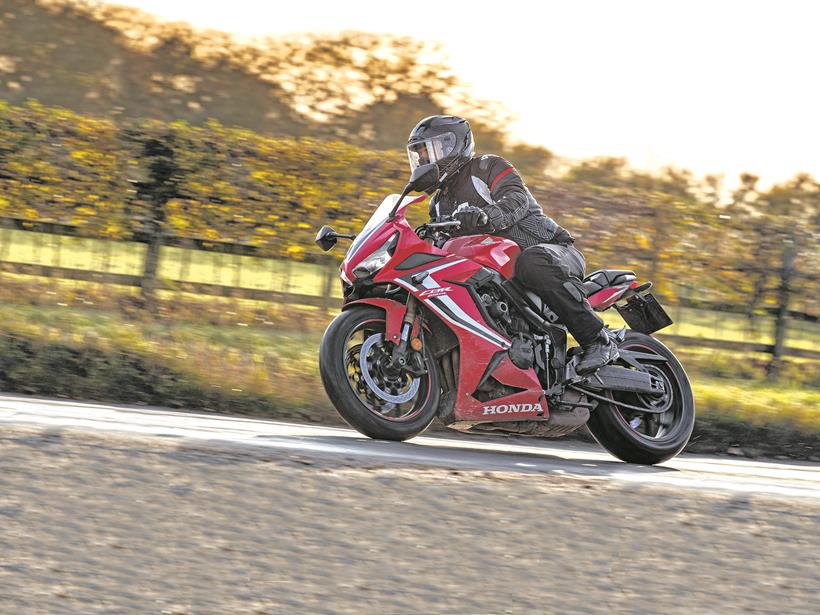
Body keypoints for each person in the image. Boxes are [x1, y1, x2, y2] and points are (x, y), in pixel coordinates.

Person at [406, 114, 618, 374]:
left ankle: (598, 340)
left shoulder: (486, 167)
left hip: (551, 251)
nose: (425, 161)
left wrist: (487, 217)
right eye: (420, 155)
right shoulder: (437, 204)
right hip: (500, 276)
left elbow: (516, 198)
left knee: (533, 261)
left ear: (453, 145)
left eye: (429, 151)